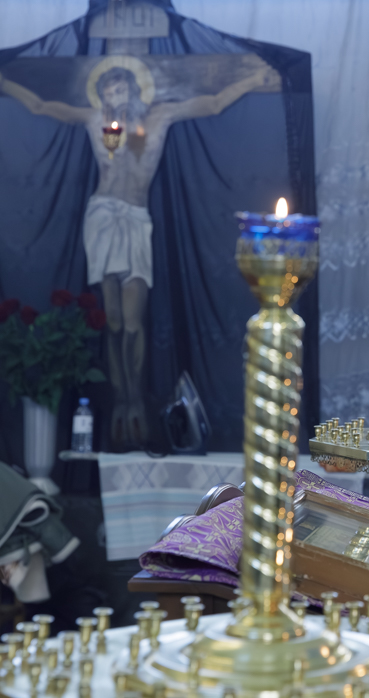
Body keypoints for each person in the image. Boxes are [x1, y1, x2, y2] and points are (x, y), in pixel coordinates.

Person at [0, 57, 278, 447]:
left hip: (136, 218)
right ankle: (122, 400)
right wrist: (4, 82)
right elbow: (41, 106)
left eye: (120, 90)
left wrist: (250, 79)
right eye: (107, 93)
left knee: (133, 323)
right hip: (101, 217)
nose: (114, 99)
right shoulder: (94, 119)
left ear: (134, 90)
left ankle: (137, 397)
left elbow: (214, 104)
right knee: (113, 322)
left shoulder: (160, 116)